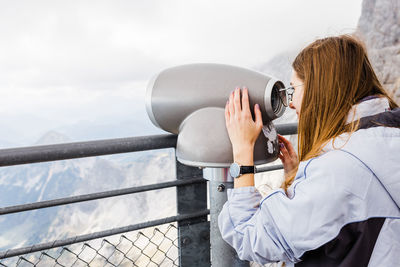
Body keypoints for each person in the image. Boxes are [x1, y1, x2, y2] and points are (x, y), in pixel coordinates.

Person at [218, 35, 400, 267]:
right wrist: (301, 180)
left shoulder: (338, 170)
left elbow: (249, 236)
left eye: (294, 89)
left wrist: (243, 154)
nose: (291, 103)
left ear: (319, 89)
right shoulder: (386, 137)